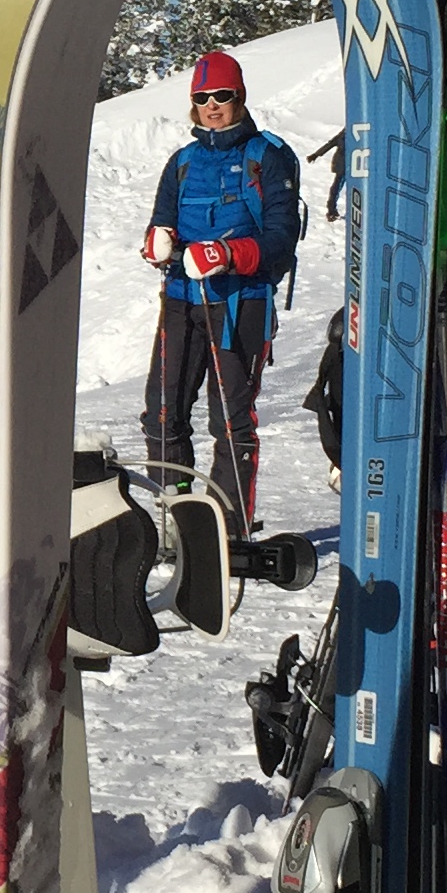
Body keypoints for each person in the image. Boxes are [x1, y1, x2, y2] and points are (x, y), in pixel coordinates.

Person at [140, 48, 302, 549]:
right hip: (181, 299)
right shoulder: (183, 163)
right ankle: (178, 517)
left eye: (223, 96)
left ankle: (227, 531)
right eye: (203, 98)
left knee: (229, 420)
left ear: (240, 98)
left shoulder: (267, 156)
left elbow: (282, 236)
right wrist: (156, 241)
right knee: (161, 413)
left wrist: (228, 254)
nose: (213, 106)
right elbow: (161, 219)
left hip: (240, 303)